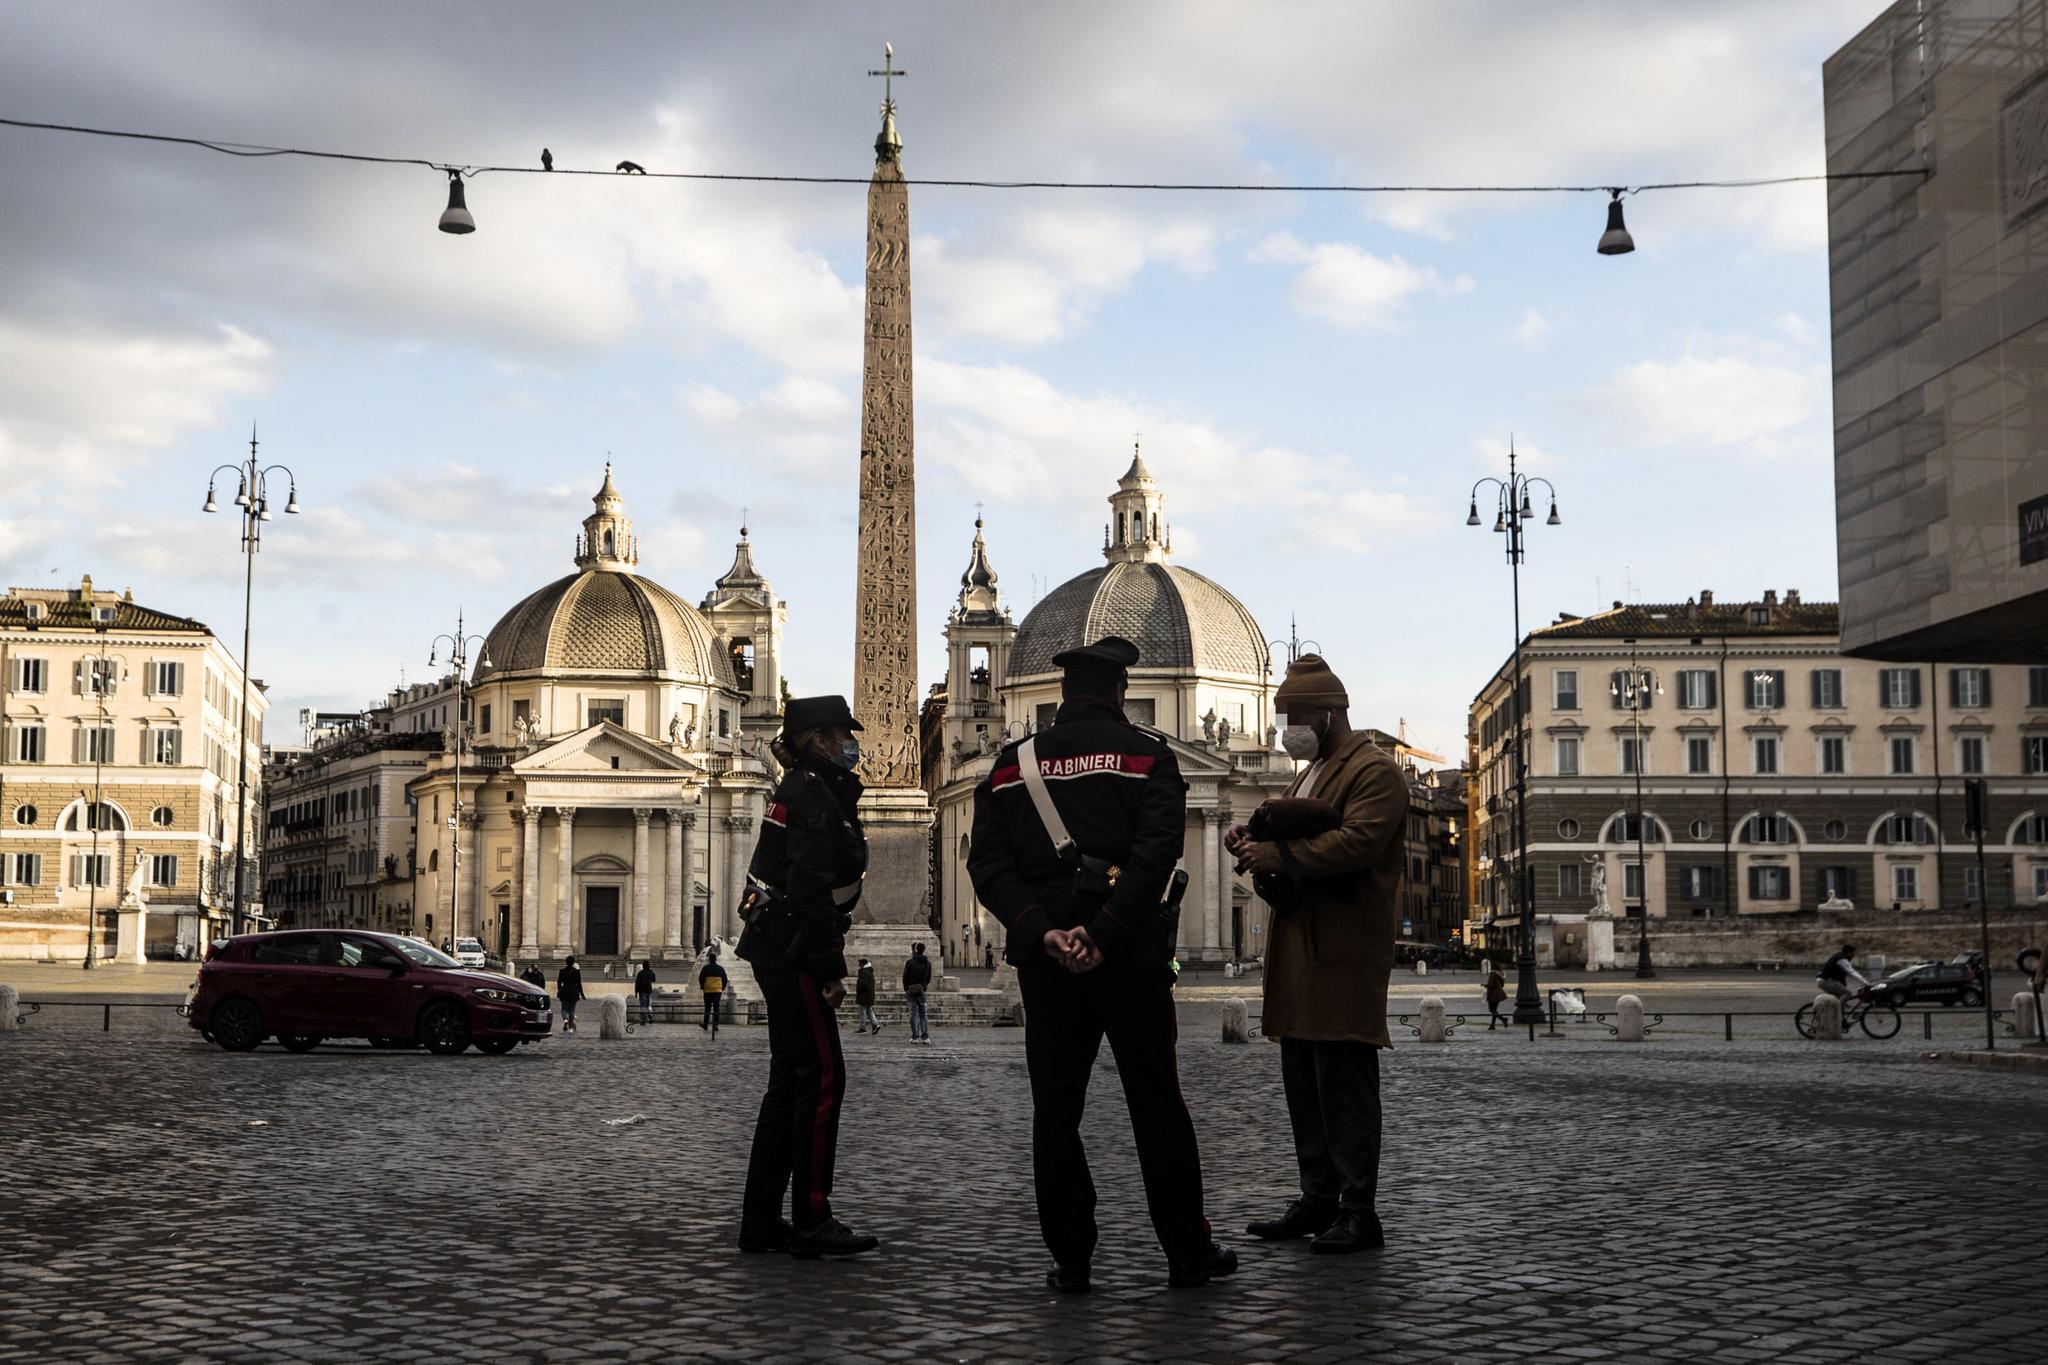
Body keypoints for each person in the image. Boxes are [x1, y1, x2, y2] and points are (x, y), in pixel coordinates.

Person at [969, 635, 1235, 1292]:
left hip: (1048, 964)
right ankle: (1185, 1250)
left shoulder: (1009, 766)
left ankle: (1072, 1255)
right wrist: (1104, 932)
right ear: (1121, 693)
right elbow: (1154, 858)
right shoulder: (1150, 757)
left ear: (1060, 697)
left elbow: (988, 867)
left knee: (1056, 1112)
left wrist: (1047, 931)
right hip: (1132, 959)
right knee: (1157, 1105)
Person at [1227, 653, 1405, 1255]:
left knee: (1344, 1085)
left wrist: (1277, 857)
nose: (1287, 730)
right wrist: (1252, 843)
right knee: (1303, 1080)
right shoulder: (1308, 773)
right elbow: (1296, 835)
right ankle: (1318, 1197)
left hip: (1343, 951)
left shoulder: (1374, 772)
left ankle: (1359, 1210)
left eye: (1296, 717)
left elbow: (1356, 842)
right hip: (1301, 950)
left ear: (1329, 714)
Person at [735, 695, 878, 1260]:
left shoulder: (798, 788)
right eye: (843, 733)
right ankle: (813, 1217)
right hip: (795, 949)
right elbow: (812, 886)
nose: (851, 743)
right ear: (818, 739)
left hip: (777, 943)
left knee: (789, 1084)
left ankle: (762, 1219)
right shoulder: (813, 794)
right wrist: (830, 969)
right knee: (821, 1082)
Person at [903, 941, 933, 1044]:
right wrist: (923, 986)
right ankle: (925, 1037)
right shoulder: (928, 964)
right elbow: (928, 978)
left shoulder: (909, 962)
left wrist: (906, 988)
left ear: (915, 950)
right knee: (923, 1013)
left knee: (913, 1013)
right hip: (921, 990)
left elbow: (905, 977)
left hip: (911, 989)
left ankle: (915, 1037)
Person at [699, 948, 729, 1036]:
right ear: (715, 959)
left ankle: (705, 1025)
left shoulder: (705, 968)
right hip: (717, 991)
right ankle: (716, 1025)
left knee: (707, 1008)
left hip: (708, 991)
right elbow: (725, 979)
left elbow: (701, 978)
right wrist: (722, 988)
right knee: (716, 1008)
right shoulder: (720, 968)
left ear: (709, 959)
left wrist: (702, 986)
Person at [556, 955, 585, 1035]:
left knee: (564, 1009)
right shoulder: (576, 971)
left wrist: (559, 990)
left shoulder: (562, 971)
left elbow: (559, 982)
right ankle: (570, 1026)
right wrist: (582, 994)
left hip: (565, 991)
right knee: (572, 1010)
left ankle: (565, 1020)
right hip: (574, 992)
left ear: (566, 962)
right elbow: (579, 984)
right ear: (573, 963)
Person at [855, 957, 881, 1035]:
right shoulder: (869, 972)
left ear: (862, 964)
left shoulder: (864, 972)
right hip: (869, 995)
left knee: (862, 1011)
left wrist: (859, 989)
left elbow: (863, 984)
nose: (858, 964)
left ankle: (862, 1028)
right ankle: (875, 1024)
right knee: (869, 1010)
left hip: (864, 996)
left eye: (859, 963)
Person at [1484, 965, 1508, 1030]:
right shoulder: (1501, 974)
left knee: (1492, 1009)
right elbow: (1502, 985)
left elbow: (1491, 985)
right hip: (1499, 993)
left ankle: (1503, 1019)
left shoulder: (1493, 974)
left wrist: (1485, 985)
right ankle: (1492, 1025)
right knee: (1494, 1010)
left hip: (1493, 994)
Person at [635, 961, 657, 1026]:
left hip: (642, 991)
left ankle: (643, 1020)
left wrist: (636, 992)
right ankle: (650, 1015)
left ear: (643, 966)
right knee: (648, 1004)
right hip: (649, 991)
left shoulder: (640, 973)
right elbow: (654, 980)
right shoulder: (651, 972)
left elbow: (637, 984)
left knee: (643, 1005)